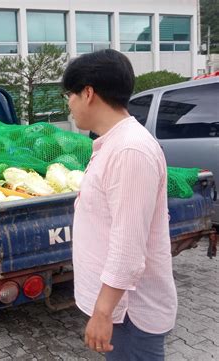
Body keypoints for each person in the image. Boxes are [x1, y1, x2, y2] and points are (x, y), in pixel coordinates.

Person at [62, 49, 177, 360]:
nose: (68, 105)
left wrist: (103, 313)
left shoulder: (130, 151)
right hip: (121, 311)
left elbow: (128, 247)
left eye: (69, 95)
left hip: (130, 315)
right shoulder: (114, 142)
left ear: (88, 93)